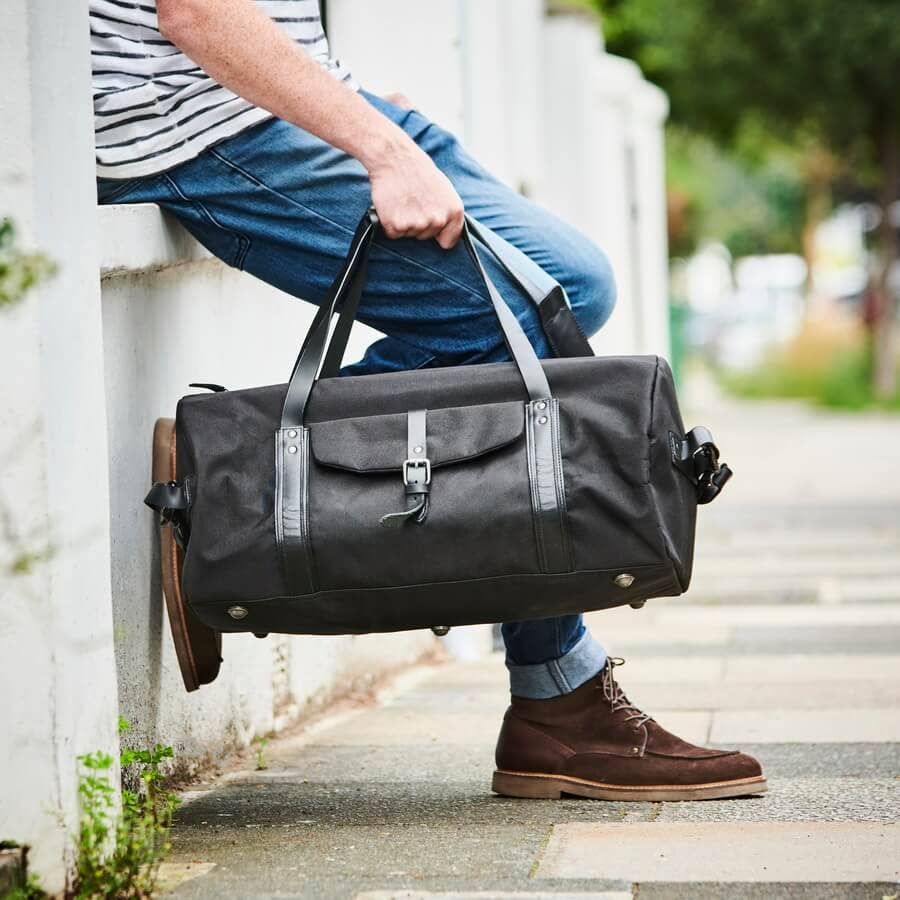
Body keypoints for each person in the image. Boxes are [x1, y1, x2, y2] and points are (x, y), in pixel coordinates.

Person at [91, 0, 766, 801]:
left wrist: (352, 103)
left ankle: (239, 491)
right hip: (194, 120)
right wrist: (379, 147)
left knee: (574, 285)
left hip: (293, 99)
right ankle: (557, 698)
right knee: (510, 318)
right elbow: (196, 11)